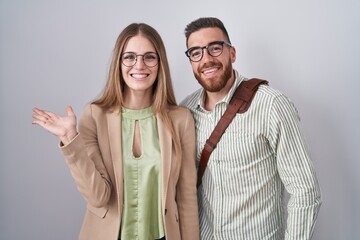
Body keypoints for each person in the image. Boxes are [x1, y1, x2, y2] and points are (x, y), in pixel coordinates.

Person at [32, 23, 199, 240]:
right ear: (118, 63)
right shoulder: (94, 116)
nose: (139, 65)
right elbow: (99, 197)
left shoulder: (180, 119)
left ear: (160, 64)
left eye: (149, 57)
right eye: (129, 57)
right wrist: (69, 138)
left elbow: (186, 198)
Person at [181, 17, 322, 240]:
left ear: (232, 53)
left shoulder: (272, 105)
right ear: (191, 62)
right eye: (196, 53)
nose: (206, 59)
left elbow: (305, 191)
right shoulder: (185, 111)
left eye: (215, 48)